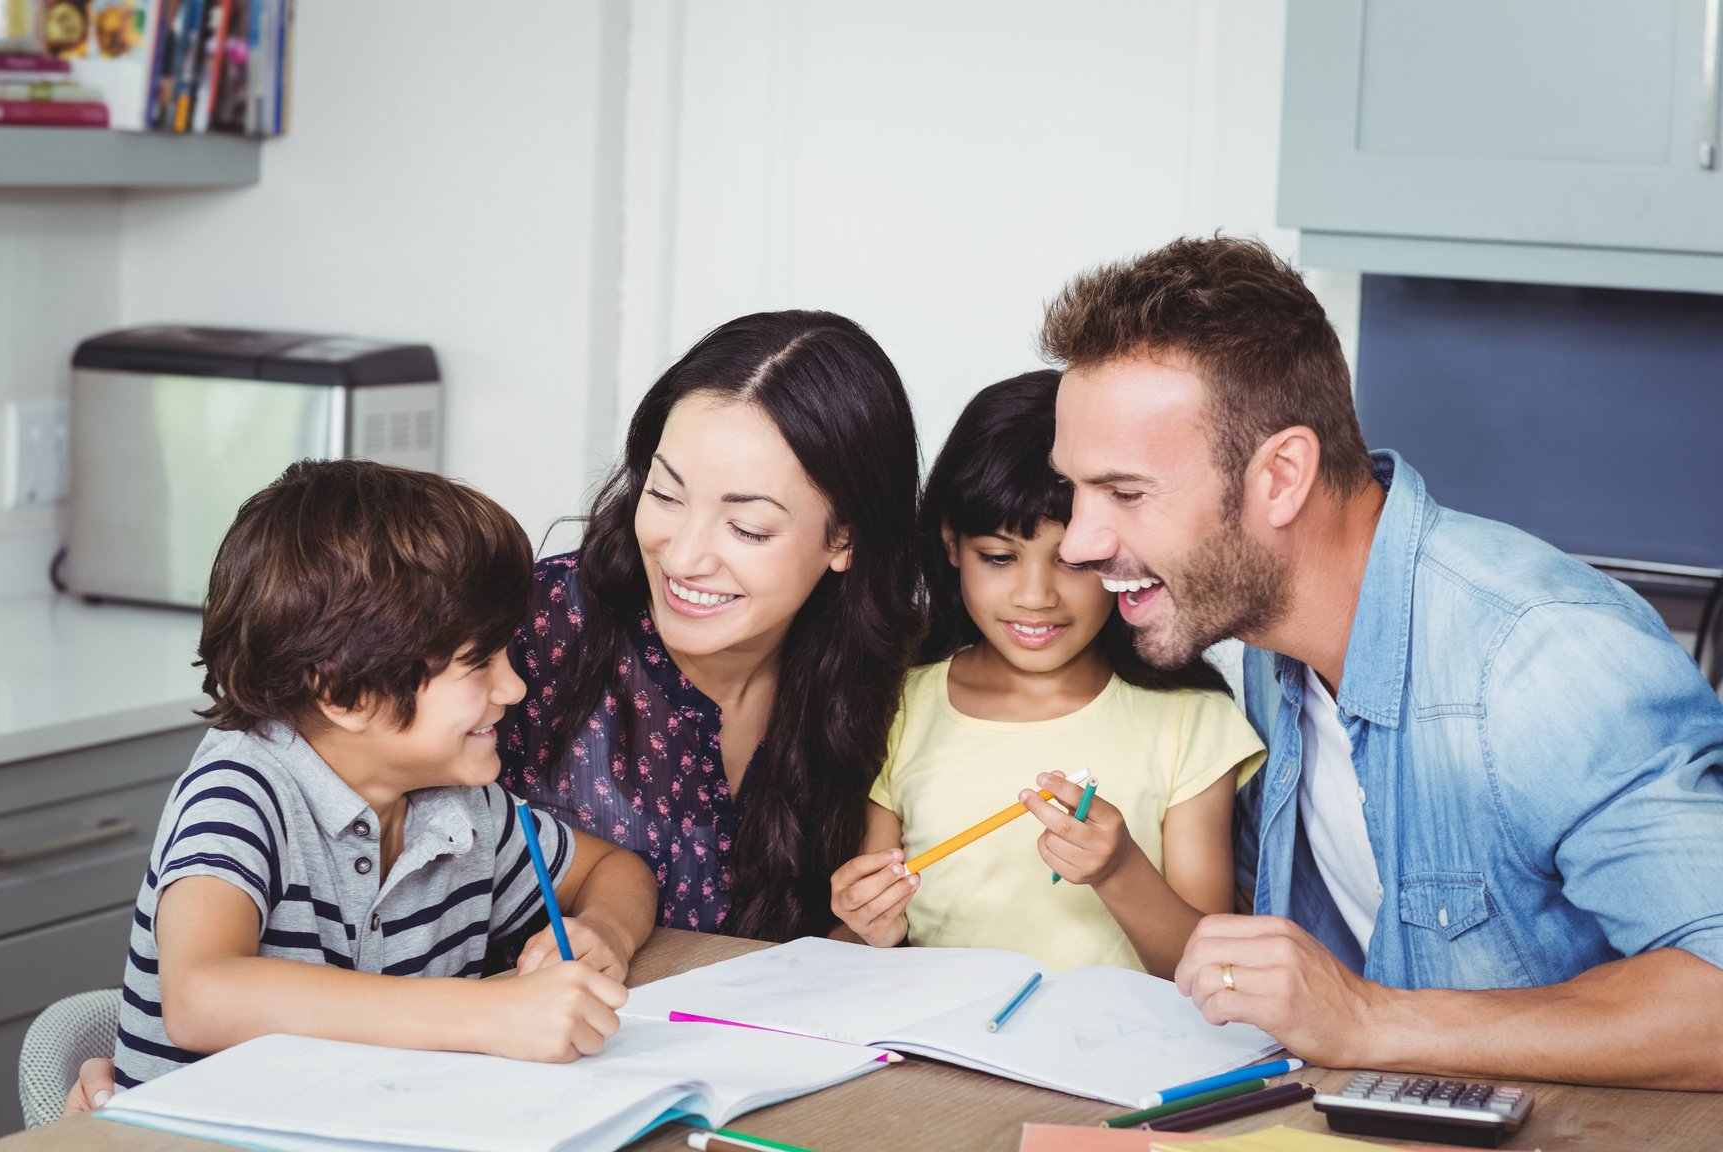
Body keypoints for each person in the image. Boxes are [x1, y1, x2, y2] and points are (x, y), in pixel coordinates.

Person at [1043, 234, 1723, 1088]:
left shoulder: (1541, 659)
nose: (1078, 542)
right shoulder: (1267, 645)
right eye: (1074, 489)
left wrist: (1368, 1018)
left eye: (1126, 492)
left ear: (1282, 477)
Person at [111, 460, 657, 1091]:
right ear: (345, 694)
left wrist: (605, 930)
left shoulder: (465, 809)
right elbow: (201, 995)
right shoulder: (241, 791)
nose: (514, 685)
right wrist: (487, 1013)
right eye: (479, 663)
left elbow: (615, 870)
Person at [496, 310, 922, 943]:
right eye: (665, 495)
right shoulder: (536, 628)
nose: (684, 556)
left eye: (747, 527)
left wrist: (864, 930)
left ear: (844, 539)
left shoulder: (895, 679)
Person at [828, 370, 1263, 978]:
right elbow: (860, 938)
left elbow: (1214, 970)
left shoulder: (1190, 719)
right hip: (947, 1059)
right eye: (999, 558)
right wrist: (862, 921)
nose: (1035, 596)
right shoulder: (900, 705)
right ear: (952, 544)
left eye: (1071, 561)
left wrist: (1119, 873)